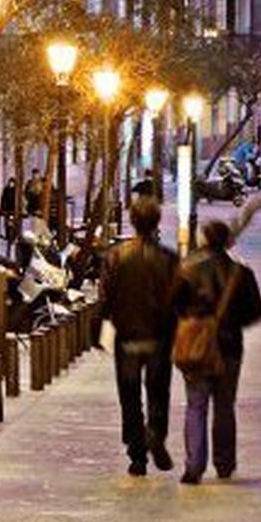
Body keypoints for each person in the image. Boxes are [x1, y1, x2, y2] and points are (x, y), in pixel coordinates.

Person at [171, 220, 261, 484]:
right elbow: (256, 309)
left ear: (204, 240)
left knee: (196, 404)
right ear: (227, 242)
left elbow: (174, 304)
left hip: (197, 347)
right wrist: (232, 322)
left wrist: (191, 321)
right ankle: (224, 463)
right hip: (229, 346)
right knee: (225, 405)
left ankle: (194, 466)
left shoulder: (188, 271)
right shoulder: (241, 273)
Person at [94, 196, 179, 476]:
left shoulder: (115, 256)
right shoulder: (169, 259)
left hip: (127, 337)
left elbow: (105, 298)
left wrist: (99, 329)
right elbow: (179, 300)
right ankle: (155, 434)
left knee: (129, 396)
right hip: (160, 337)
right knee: (158, 392)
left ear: (132, 221)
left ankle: (137, 453)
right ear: (156, 222)